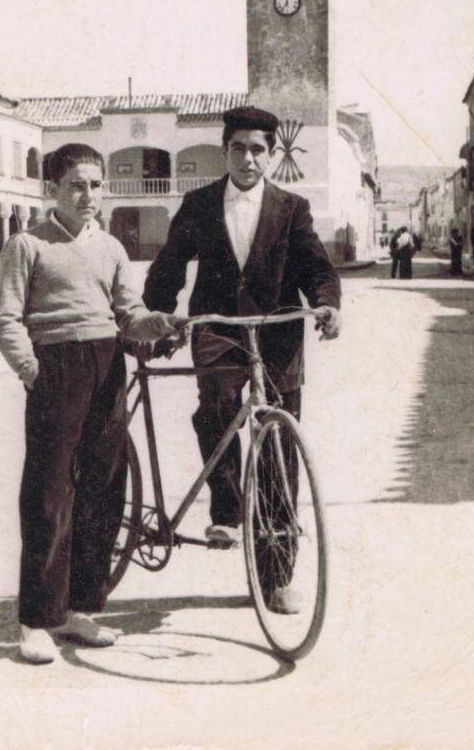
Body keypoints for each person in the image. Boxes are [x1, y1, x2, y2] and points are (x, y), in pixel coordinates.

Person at [142, 106, 341, 614]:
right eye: (238, 148)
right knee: (218, 406)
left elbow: (317, 266)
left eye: (258, 150)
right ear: (225, 151)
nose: (248, 159)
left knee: (278, 446)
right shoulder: (199, 204)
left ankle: (278, 578)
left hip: (277, 337)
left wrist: (327, 304)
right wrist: (158, 316)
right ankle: (227, 510)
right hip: (218, 329)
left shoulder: (292, 209)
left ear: (272, 155)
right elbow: (168, 266)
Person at [0, 143, 182, 665]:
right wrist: (34, 373)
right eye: (77, 184)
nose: (88, 195)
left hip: (107, 367)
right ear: (51, 189)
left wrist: (156, 323)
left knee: (103, 489)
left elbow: (129, 313)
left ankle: (79, 609)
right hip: (55, 370)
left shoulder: (112, 247)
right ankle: (36, 621)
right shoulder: (26, 245)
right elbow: (5, 320)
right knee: (50, 495)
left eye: (96, 184)